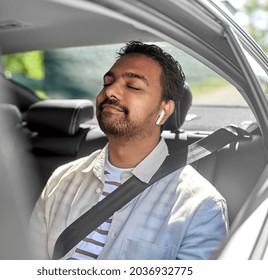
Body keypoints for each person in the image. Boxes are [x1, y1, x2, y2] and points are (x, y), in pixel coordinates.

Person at [29, 41, 228, 260]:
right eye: (107, 82)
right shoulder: (61, 180)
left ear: (164, 110)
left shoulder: (200, 206)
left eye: (132, 86)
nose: (110, 91)